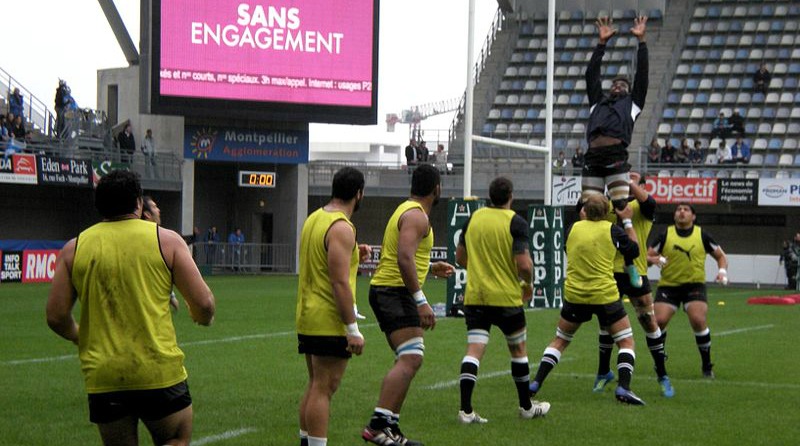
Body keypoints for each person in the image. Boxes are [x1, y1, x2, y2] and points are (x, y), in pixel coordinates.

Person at [45, 170, 215, 446]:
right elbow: (204, 303)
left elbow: (56, 315)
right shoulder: (167, 240)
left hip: (105, 374)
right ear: (138, 203)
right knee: (176, 437)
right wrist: (201, 318)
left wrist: (79, 336)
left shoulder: (74, 249)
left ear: (99, 205)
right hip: (157, 370)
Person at [362, 164, 455, 446]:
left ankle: (391, 427)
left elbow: (406, 256)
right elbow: (403, 257)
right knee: (411, 357)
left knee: (408, 358)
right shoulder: (417, 216)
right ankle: (378, 426)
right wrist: (422, 301)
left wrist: (429, 266)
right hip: (394, 291)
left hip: (388, 289)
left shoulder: (407, 210)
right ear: (437, 188)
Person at [529, 194, 646, 405]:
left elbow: (569, 249)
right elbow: (635, 250)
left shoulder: (573, 229)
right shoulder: (612, 230)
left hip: (575, 295)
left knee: (560, 340)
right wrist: (627, 221)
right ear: (607, 212)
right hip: (604, 296)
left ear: (585, 211)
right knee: (626, 342)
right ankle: (624, 387)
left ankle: (536, 382)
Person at [455, 177, 550, 424]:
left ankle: (465, 411)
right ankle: (526, 407)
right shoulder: (515, 222)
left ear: (489, 195)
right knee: (518, 351)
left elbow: (460, 257)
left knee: (474, 351)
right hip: (507, 298)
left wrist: (479, 270)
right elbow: (524, 264)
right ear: (511, 196)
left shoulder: (474, 218)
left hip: (476, 297)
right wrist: (527, 284)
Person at [297, 167, 371, 446]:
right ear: (358, 193)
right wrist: (352, 328)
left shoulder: (315, 218)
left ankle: (306, 441)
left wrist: (354, 254)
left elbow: (322, 261)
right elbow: (339, 282)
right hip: (327, 318)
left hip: (307, 315)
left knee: (316, 384)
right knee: (324, 388)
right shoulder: (342, 226)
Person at [592, 172, 672, 398]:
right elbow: (583, 209)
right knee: (607, 325)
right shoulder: (606, 208)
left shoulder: (641, 208)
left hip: (636, 273)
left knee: (649, 321)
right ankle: (602, 372)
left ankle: (662, 374)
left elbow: (650, 201)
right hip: (609, 274)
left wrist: (627, 181)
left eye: (636, 184)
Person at [647, 203, 729, 379]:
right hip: (669, 285)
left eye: (686, 210)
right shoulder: (665, 234)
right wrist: (655, 259)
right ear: (674, 215)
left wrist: (722, 271)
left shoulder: (703, 235)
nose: (681, 212)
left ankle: (707, 365)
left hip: (694, 286)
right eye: (678, 209)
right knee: (659, 321)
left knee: (698, 320)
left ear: (693, 216)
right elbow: (646, 257)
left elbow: (720, 256)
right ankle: (660, 362)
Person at [582, 15, 648, 211]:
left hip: (615, 157)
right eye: (614, 84)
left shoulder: (633, 104)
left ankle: (621, 238)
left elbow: (642, 76)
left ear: (628, 90)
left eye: (622, 84)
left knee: (620, 205)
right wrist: (601, 43)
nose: (617, 86)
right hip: (593, 157)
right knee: (588, 207)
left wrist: (641, 42)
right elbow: (591, 75)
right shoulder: (598, 102)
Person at [141, 195, 181, 312]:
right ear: (147, 214)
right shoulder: (162, 240)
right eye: (154, 207)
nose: (158, 210)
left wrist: (171, 295)